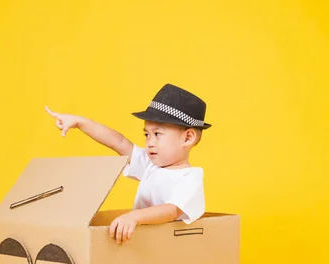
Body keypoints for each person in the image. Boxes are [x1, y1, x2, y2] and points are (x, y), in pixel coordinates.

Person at [46, 83, 211, 244]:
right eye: (147, 134)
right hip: (145, 246)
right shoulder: (150, 165)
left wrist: (134, 216)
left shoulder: (190, 176)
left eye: (157, 134)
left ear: (187, 138)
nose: (150, 142)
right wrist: (81, 123)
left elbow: (171, 210)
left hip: (171, 248)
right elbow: (118, 142)